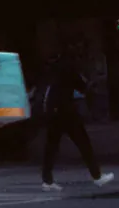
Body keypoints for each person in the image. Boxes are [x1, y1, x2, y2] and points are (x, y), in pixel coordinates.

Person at [36, 46, 113, 192]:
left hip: (53, 111)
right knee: (83, 143)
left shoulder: (52, 69)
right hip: (66, 111)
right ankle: (97, 176)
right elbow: (83, 87)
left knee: (51, 146)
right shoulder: (69, 68)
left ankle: (47, 180)